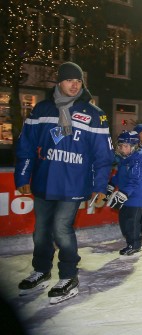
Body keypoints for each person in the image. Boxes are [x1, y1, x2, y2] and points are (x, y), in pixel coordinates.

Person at [14, 61, 114, 303]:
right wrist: (23, 175)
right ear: (59, 82)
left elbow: (104, 156)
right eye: (70, 80)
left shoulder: (94, 114)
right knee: (41, 232)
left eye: (78, 81)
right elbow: (26, 145)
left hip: (73, 184)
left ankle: (68, 275)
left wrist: (100, 187)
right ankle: (41, 269)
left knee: (61, 229)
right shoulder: (41, 110)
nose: (74, 84)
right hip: (45, 181)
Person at [108, 131, 142, 256]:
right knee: (123, 221)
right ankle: (132, 240)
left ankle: (134, 244)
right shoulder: (124, 159)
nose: (122, 148)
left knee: (131, 222)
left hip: (136, 198)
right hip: (126, 196)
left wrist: (123, 193)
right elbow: (120, 176)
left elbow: (134, 180)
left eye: (125, 146)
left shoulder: (138, 160)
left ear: (133, 147)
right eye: (120, 146)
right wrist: (111, 184)